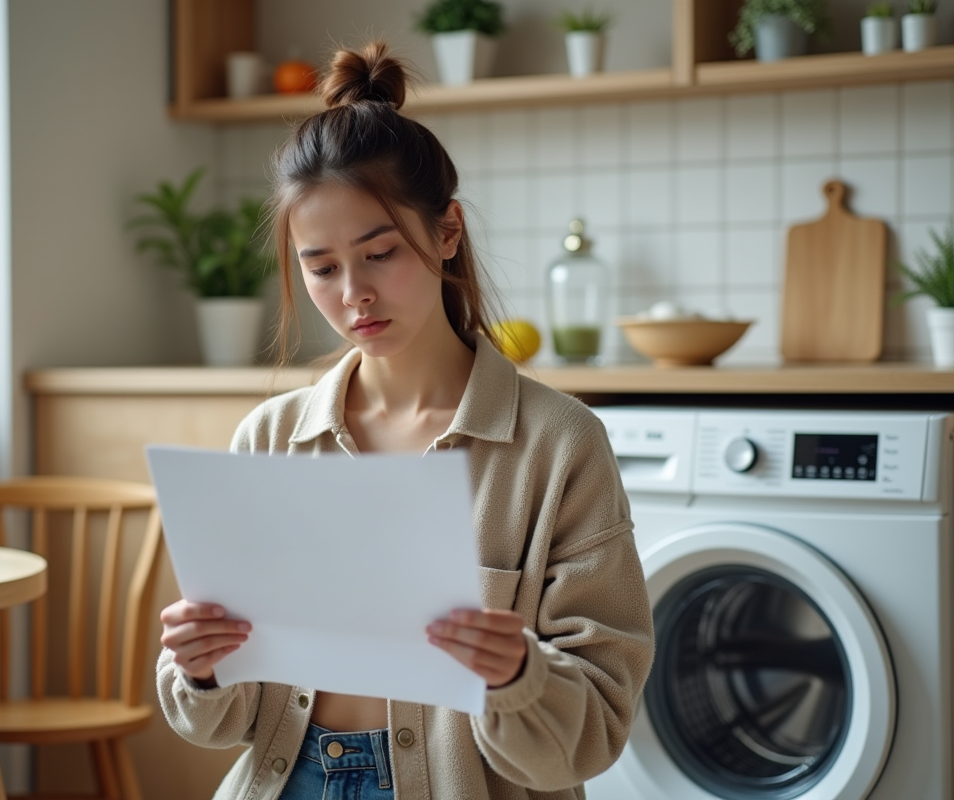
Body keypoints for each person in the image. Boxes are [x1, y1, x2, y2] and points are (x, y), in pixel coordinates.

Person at [157, 41, 654, 800]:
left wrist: (518, 675)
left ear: (447, 233)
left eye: (379, 253)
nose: (352, 293)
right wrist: (198, 664)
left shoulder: (559, 445)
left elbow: (595, 731)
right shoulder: (267, 439)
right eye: (320, 268)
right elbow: (223, 722)